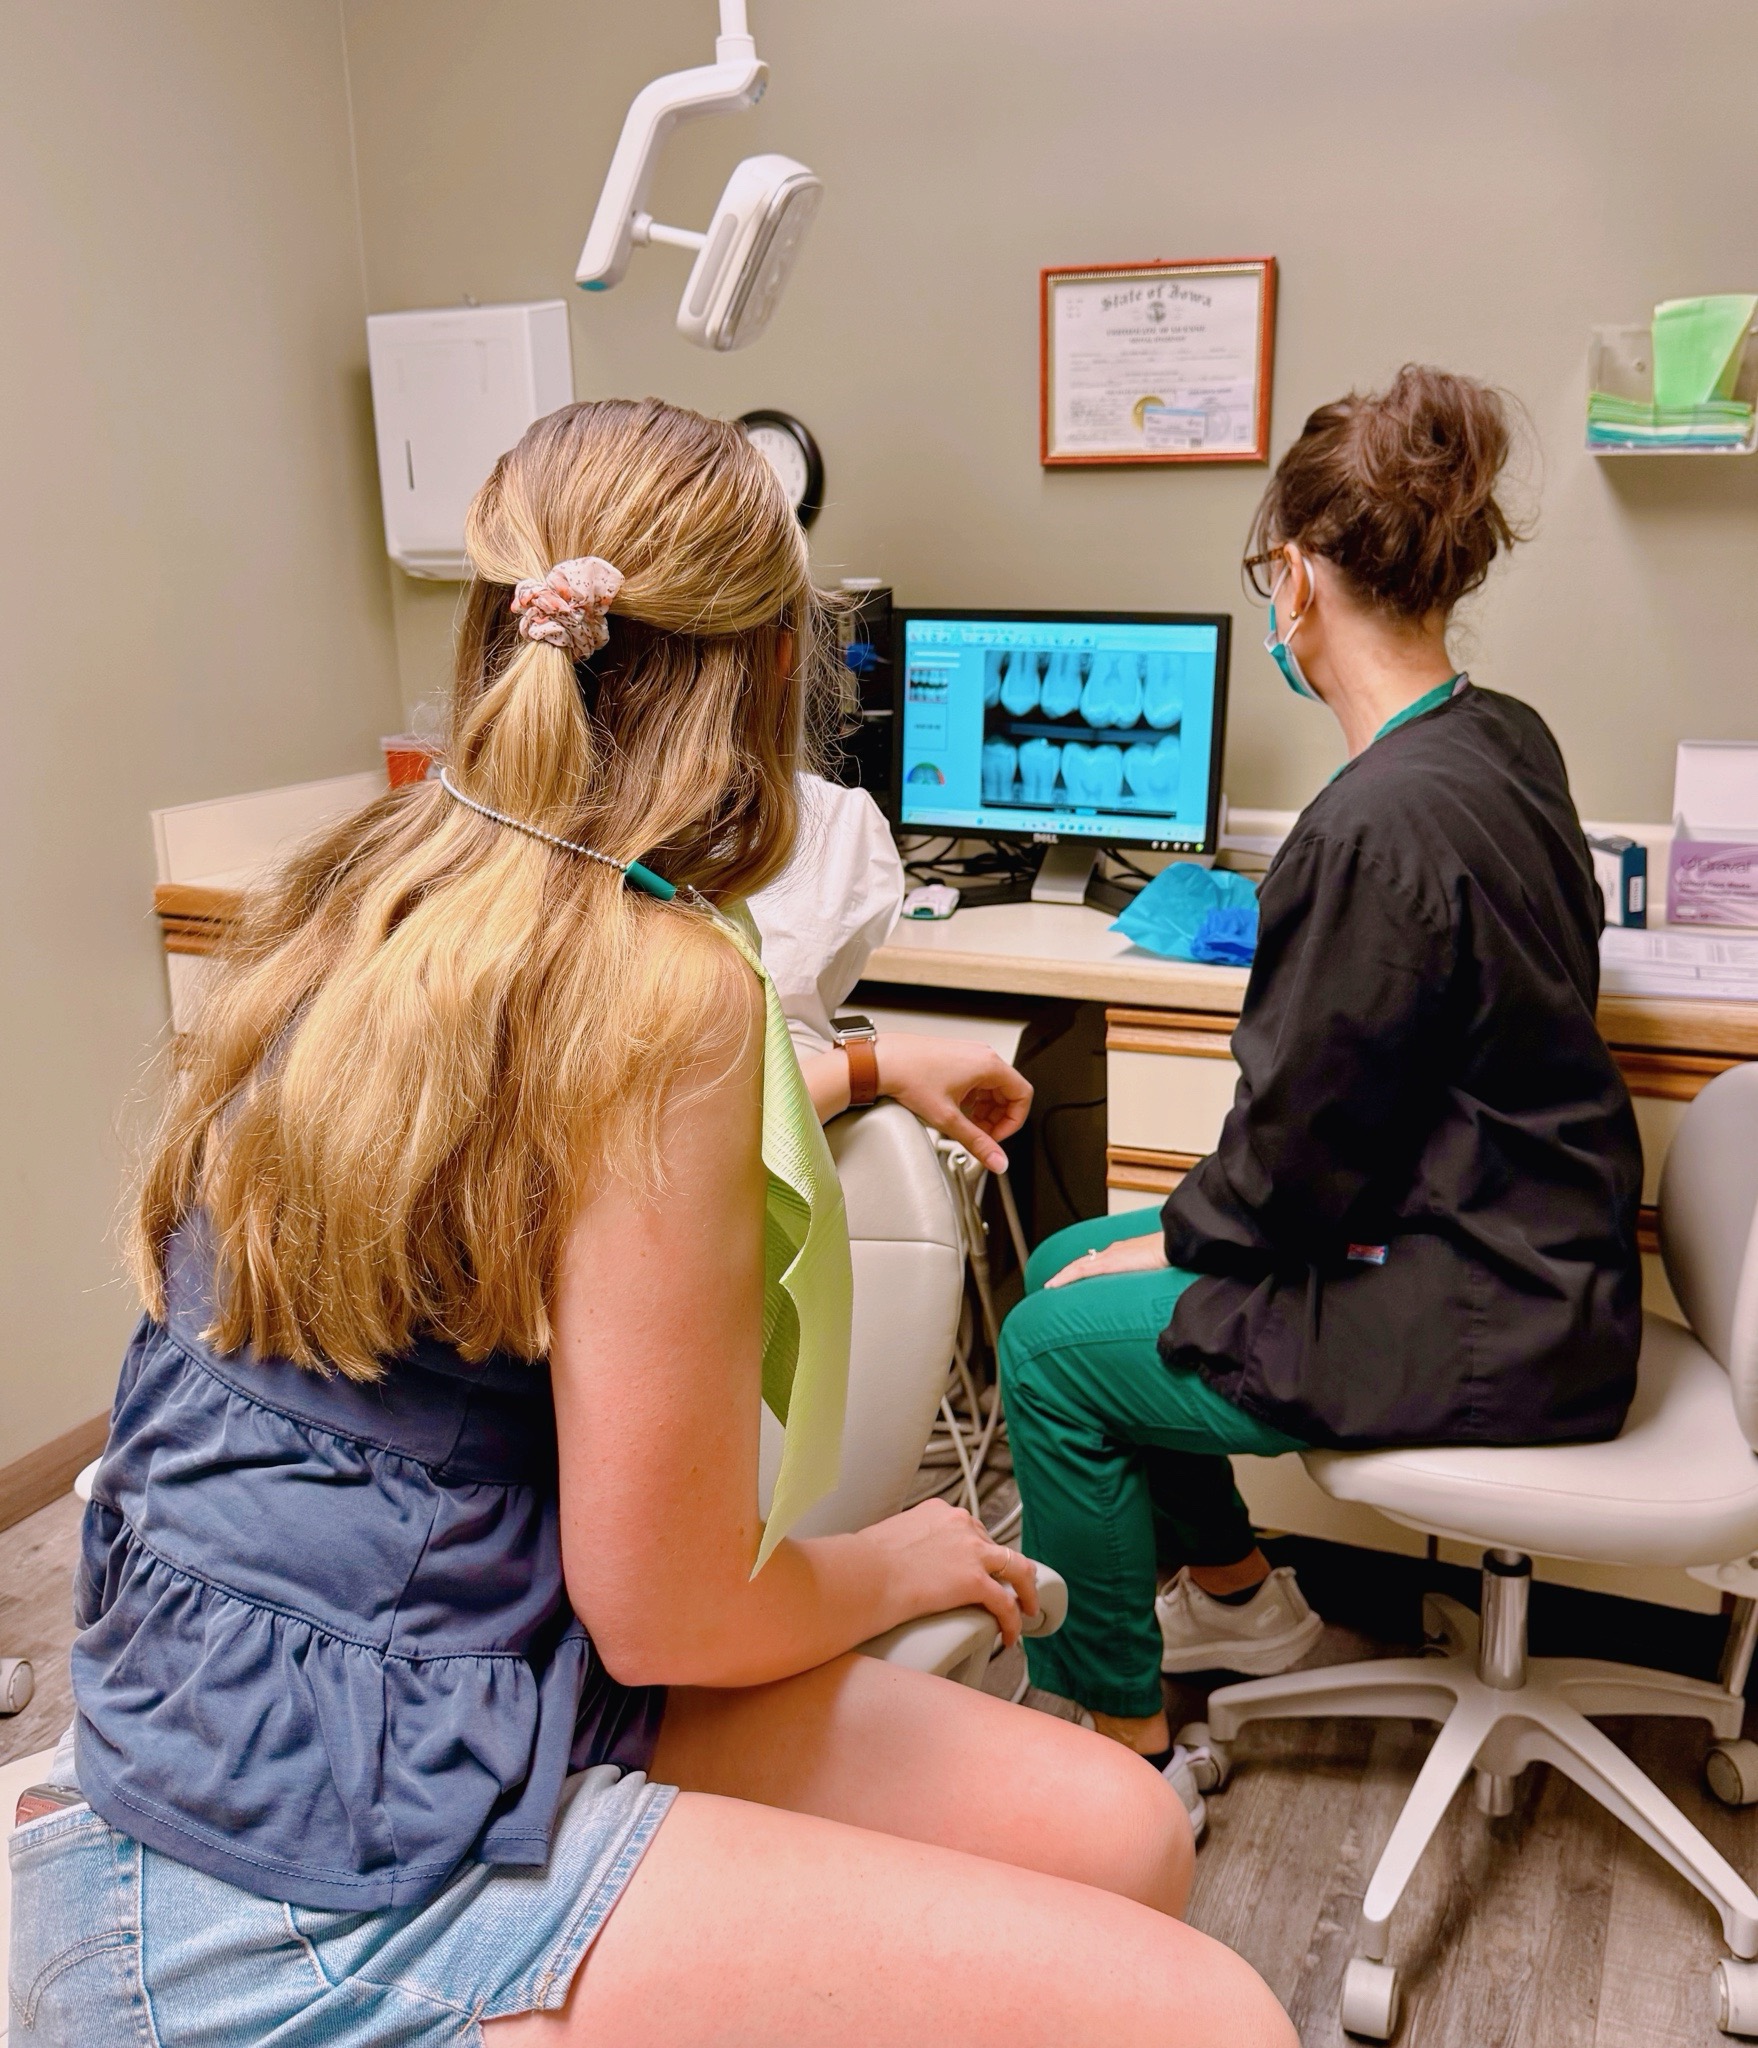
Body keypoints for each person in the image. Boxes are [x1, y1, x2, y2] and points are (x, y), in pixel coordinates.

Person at [11, 398, 1295, 2048]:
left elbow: (529, 1156)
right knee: (1217, 2023)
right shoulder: (663, 988)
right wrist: (883, 1554)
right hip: (291, 1865)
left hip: (258, 1697)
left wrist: (871, 1062)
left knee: (1121, 1830)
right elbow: (669, 1610)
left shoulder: (376, 885)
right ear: (778, 675)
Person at [1000, 365, 1643, 1775]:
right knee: (1071, 1250)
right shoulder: (1498, 735)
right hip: (1529, 1253)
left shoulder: (1366, 830)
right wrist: (1171, 1238)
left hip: (1480, 1311)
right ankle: (1242, 1607)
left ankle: (1114, 1752)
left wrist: (1183, 1241)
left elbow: (1289, 1167)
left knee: (1046, 1349)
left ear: (1290, 581)